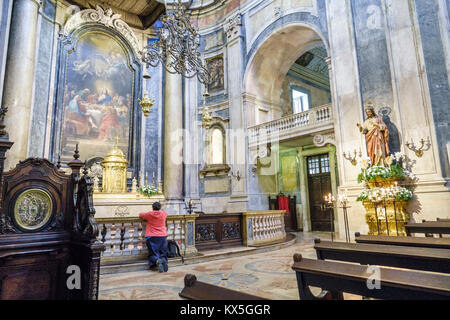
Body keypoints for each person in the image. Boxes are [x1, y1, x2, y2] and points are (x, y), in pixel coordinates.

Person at [139, 202, 169, 272]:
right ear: (160, 207)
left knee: (153, 252)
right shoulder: (163, 213)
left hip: (152, 236)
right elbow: (166, 213)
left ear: (152, 207)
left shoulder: (149, 214)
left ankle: (157, 261)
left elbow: (141, 215)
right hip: (162, 236)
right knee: (162, 251)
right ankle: (163, 260)